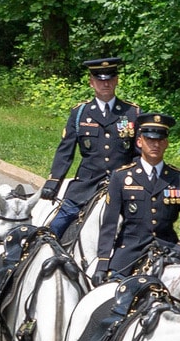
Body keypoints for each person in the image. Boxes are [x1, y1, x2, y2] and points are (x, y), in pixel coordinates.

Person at [92, 113, 180, 283]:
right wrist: (102, 264)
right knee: (115, 299)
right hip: (129, 253)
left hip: (169, 251)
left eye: (160, 140)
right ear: (139, 142)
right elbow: (109, 224)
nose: (155, 144)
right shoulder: (121, 177)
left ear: (166, 143)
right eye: (150, 140)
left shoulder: (179, 179)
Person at [42, 57, 141, 236]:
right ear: (91, 82)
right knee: (54, 230)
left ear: (117, 80)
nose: (105, 84)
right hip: (86, 185)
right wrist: (53, 182)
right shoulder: (80, 113)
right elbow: (65, 152)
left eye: (110, 79)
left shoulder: (132, 113)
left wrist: (136, 181)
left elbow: (139, 154)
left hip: (122, 186)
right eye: (100, 80)